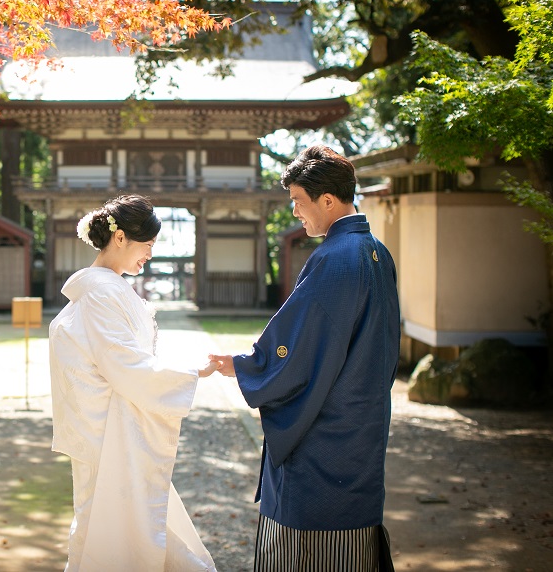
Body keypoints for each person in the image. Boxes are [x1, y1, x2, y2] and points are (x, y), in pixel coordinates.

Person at [212, 146, 400, 571]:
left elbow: (297, 347)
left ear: (327, 201)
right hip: (362, 420)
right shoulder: (375, 252)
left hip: (323, 429)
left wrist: (246, 365)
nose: (295, 211)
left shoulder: (334, 259)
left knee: (309, 542)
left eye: (298, 201)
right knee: (353, 538)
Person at [49, 194, 220, 572]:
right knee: (123, 532)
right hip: (111, 433)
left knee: (125, 529)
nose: (150, 255)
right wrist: (191, 372)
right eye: (148, 245)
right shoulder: (102, 292)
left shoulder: (105, 289)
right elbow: (125, 365)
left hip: (112, 428)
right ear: (121, 237)